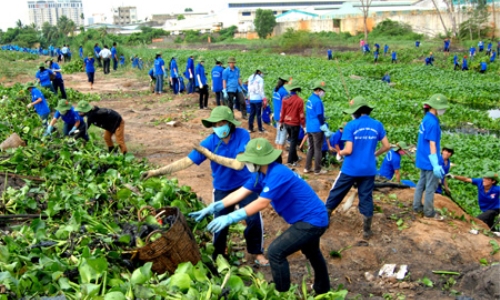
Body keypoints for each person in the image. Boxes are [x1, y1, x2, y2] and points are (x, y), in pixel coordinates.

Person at [190, 138, 330, 295]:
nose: (246, 163)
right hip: (308, 219)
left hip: (312, 221)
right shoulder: (259, 175)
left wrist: (231, 217)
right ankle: (322, 288)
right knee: (312, 251)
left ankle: (281, 292)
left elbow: (261, 203)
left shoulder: (277, 173)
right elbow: (241, 192)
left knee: (275, 252)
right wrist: (216, 206)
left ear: (259, 160)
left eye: (248, 160)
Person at [141, 106, 268, 266]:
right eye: (214, 125)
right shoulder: (209, 142)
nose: (218, 127)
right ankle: (218, 256)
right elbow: (185, 162)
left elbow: (238, 165)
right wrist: (156, 172)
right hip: (222, 186)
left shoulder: (242, 135)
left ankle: (257, 252)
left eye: (221, 123)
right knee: (219, 222)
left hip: (245, 184)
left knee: (254, 218)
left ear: (229, 123)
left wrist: (209, 155)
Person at [325, 97, 390, 239]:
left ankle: (325, 218)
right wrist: (375, 154)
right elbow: (387, 146)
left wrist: (340, 153)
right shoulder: (377, 125)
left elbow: (348, 150)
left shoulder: (351, 125)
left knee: (337, 192)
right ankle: (367, 230)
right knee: (366, 196)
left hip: (351, 168)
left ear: (356, 112)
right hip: (369, 169)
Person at [413, 94, 450, 220]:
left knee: (421, 182)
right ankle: (429, 211)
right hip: (430, 159)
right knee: (430, 186)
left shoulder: (426, 118)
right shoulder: (433, 122)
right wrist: (435, 163)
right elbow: (432, 144)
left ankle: (417, 206)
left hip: (422, 157)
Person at [304, 81, 332, 175]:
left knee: (311, 148)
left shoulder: (310, 99)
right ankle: (317, 169)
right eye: (323, 91)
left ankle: (307, 168)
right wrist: (323, 125)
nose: (324, 93)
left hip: (309, 127)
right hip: (316, 127)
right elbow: (319, 115)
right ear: (319, 90)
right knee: (318, 149)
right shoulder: (318, 101)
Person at [280, 81, 304, 166]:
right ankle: (290, 161)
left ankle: (295, 158)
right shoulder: (299, 100)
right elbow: (301, 115)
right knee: (293, 142)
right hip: (295, 124)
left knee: (292, 140)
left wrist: (281, 122)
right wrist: (304, 125)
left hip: (287, 123)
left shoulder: (285, 99)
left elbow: (283, 112)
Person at [272, 75, 290, 150]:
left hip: (276, 115)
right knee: (282, 135)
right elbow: (285, 106)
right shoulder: (284, 92)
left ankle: (277, 151)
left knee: (278, 134)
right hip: (282, 116)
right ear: (285, 82)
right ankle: (280, 153)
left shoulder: (275, 90)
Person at [247, 67, 266, 132]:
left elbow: (248, 88)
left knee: (252, 114)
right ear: (260, 72)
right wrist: (264, 98)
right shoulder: (260, 79)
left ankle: (250, 128)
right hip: (258, 99)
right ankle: (260, 129)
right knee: (259, 115)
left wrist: (249, 96)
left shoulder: (250, 77)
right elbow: (261, 90)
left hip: (252, 98)